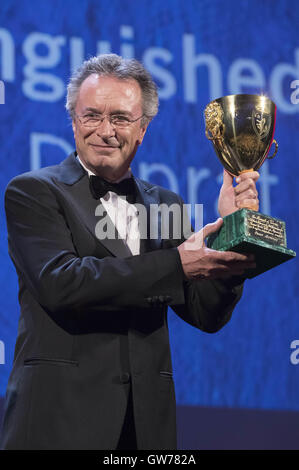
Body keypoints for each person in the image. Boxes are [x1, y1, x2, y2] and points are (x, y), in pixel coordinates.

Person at [0, 54, 259, 450]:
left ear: (143, 130)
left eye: (120, 118)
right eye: (91, 116)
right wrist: (176, 264)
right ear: (73, 122)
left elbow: (205, 312)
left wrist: (232, 233)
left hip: (144, 428)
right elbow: (62, 284)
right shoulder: (33, 190)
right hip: (58, 421)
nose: (105, 131)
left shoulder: (166, 205)